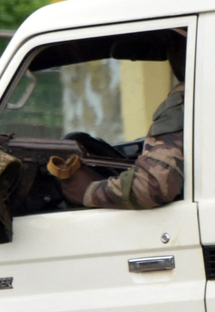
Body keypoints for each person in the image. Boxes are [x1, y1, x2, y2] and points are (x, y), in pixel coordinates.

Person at [63, 33, 186, 210]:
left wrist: (88, 191)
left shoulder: (188, 99)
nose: (169, 52)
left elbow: (153, 185)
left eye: (173, 42)